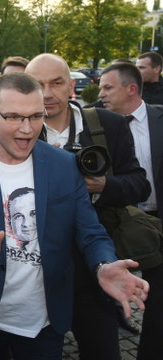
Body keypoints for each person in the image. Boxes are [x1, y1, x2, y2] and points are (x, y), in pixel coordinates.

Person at [0, 72, 148, 359]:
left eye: (35, 117)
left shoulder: (64, 166)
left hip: (44, 325)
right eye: (13, 117)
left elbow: (90, 232)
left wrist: (103, 265)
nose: (26, 129)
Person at [26, 54, 151, 359]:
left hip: (95, 266)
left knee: (101, 348)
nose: (48, 93)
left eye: (56, 83)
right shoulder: (20, 131)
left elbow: (139, 184)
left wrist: (103, 185)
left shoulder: (107, 125)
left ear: (72, 85)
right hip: (35, 270)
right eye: (38, 85)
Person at [98, 62, 163, 360]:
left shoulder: (159, 118)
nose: (101, 94)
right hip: (114, 226)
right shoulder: (96, 123)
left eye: (107, 87)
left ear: (131, 89)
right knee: (104, 298)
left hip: (157, 224)